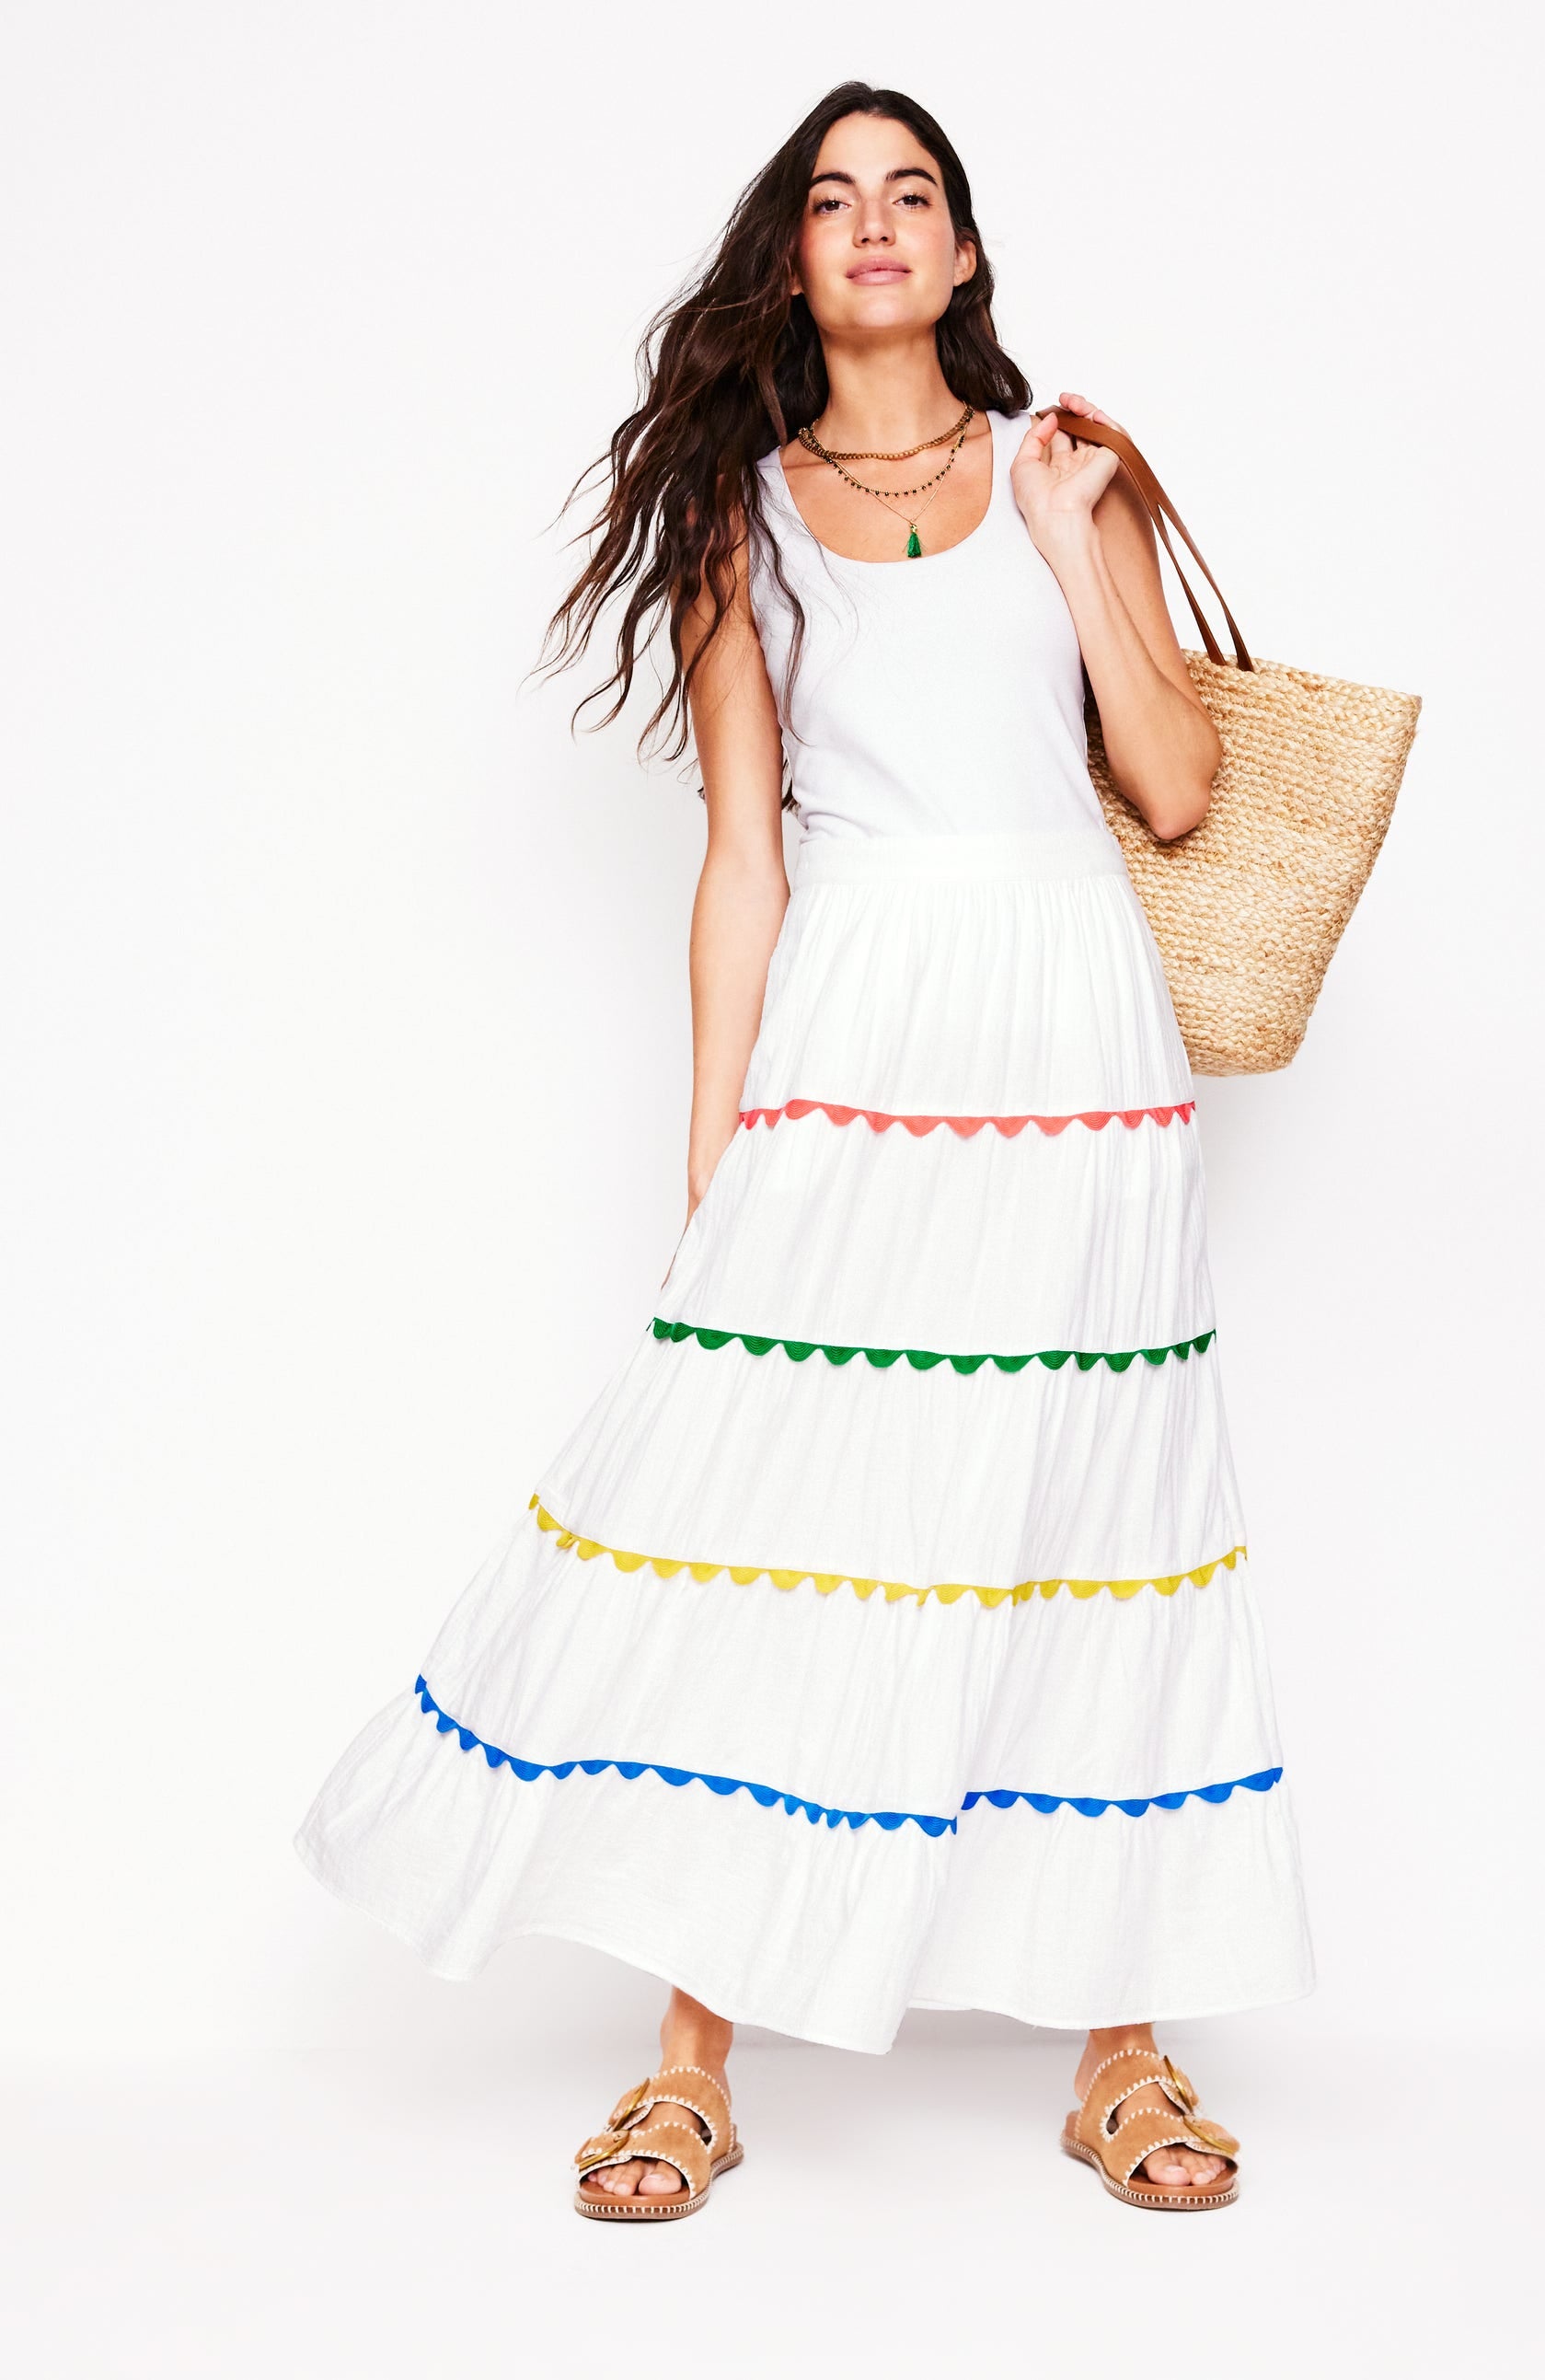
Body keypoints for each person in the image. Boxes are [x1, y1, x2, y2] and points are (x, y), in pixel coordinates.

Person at [297, 79, 1312, 2221]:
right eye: (834, 197)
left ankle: (1121, 2048)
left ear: (962, 251)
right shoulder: (737, 518)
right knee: (773, 1512)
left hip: (1073, 1032)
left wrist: (1072, 545)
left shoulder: (1067, 472)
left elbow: (1175, 786)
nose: (872, 222)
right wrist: (718, 1153)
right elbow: (744, 853)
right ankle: (690, 2059)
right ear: (792, 256)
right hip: (855, 1037)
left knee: (1093, 1506)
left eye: (909, 193)